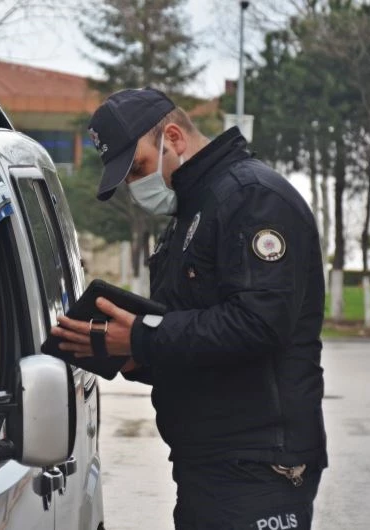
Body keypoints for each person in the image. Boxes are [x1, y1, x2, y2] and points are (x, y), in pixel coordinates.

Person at [51, 87, 327, 530]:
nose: (134, 185)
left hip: (257, 465)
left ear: (174, 137)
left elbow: (259, 325)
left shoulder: (252, 198)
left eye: (137, 168)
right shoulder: (192, 211)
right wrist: (134, 354)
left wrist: (142, 336)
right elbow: (191, 327)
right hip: (209, 463)